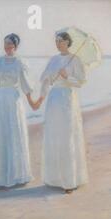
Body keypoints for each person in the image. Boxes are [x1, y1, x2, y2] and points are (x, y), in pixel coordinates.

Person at [33, 32, 88, 194]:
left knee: (67, 136)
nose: (58, 43)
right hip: (54, 100)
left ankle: (69, 181)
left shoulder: (75, 60)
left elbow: (80, 82)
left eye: (61, 41)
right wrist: (40, 99)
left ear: (67, 42)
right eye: (56, 41)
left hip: (68, 99)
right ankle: (54, 178)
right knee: (54, 135)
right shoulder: (54, 60)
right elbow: (45, 81)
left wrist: (68, 76)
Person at [0, 33, 36, 188]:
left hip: (14, 101)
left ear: (16, 46)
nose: (7, 47)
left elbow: (26, 86)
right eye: (5, 44)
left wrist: (32, 102)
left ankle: (18, 175)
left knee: (15, 134)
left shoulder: (20, 63)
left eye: (10, 44)